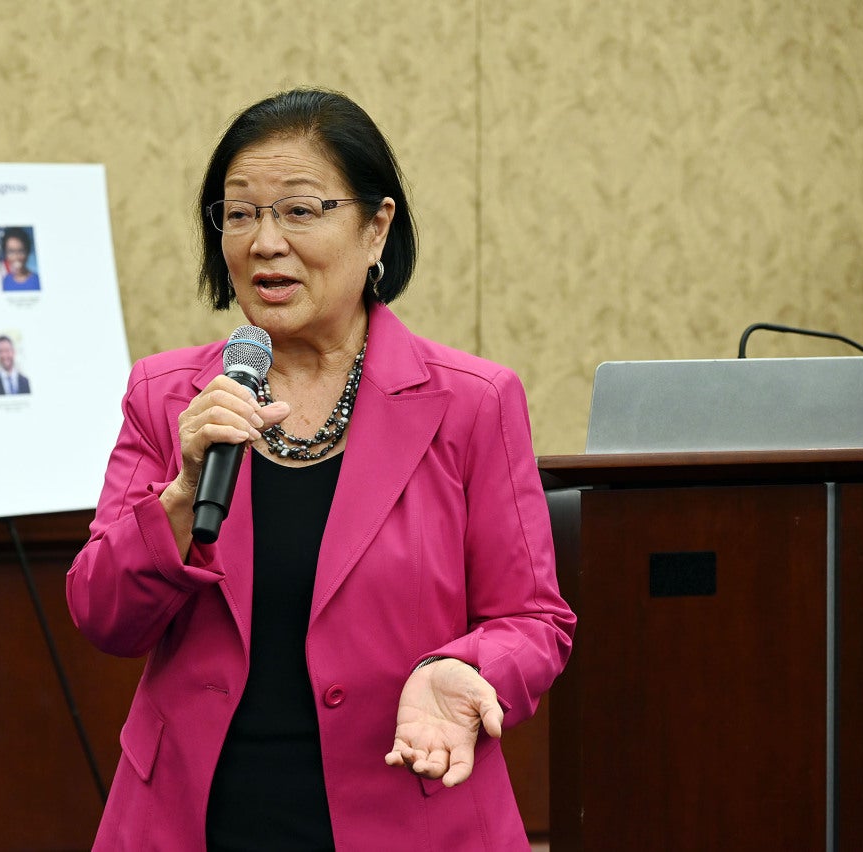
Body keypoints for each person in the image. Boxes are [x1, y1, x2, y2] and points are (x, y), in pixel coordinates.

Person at [66, 88, 575, 851]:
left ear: (377, 227)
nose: (264, 242)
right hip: (193, 819)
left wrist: (467, 671)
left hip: (408, 810)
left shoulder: (472, 402)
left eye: (299, 211)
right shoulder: (167, 396)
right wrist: (176, 499)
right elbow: (104, 617)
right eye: (239, 214)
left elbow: (535, 622)